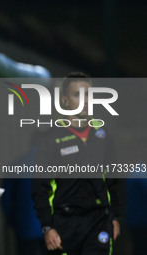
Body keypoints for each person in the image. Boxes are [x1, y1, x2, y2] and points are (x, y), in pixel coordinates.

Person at [32, 72, 121, 255]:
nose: (85, 100)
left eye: (88, 95)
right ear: (65, 100)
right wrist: (47, 227)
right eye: (77, 95)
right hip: (65, 224)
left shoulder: (103, 135)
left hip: (99, 221)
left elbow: (114, 180)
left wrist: (116, 217)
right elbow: (39, 187)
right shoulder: (50, 139)